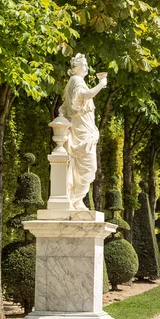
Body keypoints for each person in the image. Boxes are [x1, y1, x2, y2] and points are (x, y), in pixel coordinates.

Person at [59, 53, 108, 210]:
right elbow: (84, 95)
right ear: (76, 68)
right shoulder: (76, 80)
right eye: (84, 65)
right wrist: (102, 84)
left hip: (84, 130)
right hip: (81, 133)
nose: (86, 67)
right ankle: (76, 199)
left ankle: (77, 199)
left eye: (87, 64)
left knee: (87, 167)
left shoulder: (78, 81)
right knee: (88, 167)